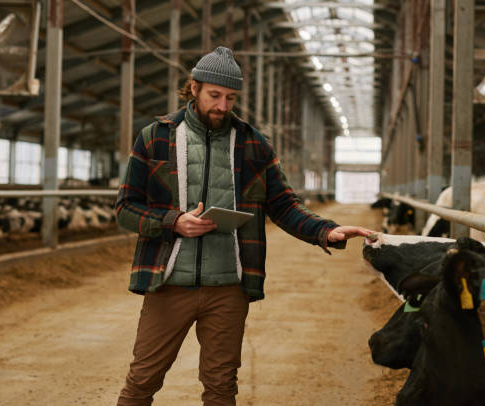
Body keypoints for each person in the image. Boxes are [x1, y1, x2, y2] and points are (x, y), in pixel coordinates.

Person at [115, 46, 373, 406]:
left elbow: (284, 204)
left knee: (222, 387)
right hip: (169, 282)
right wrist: (174, 222)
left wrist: (324, 231)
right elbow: (126, 208)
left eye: (231, 98)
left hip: (229, 287)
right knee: (142, 380)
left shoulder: (253, 144)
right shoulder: (155, 137)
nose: (222, 106)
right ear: (193, 88)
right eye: (214, 96)